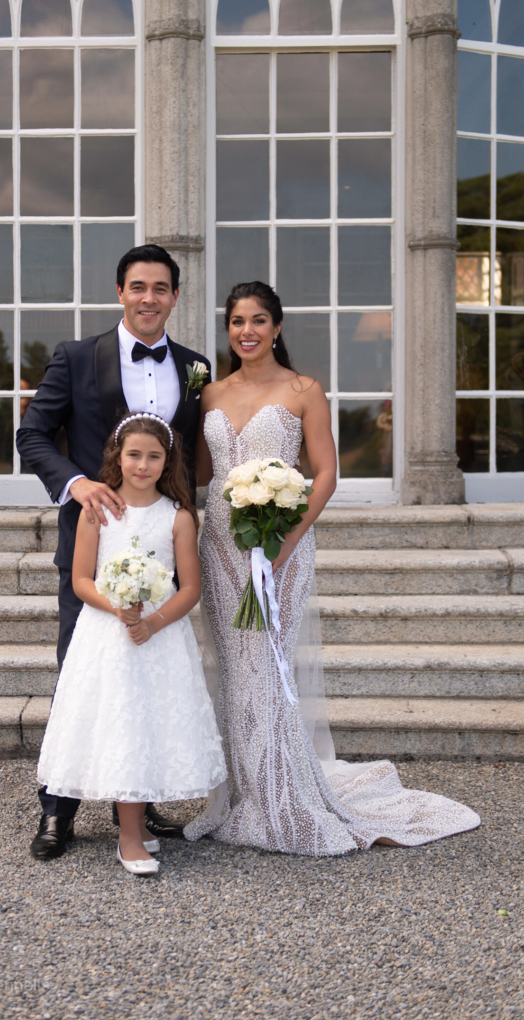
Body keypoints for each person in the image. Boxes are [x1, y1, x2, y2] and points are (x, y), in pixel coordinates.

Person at [184, 281, 480, 853]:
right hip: (220, 546)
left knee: (268, 670)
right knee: (234, 672)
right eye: (237, 321)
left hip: (282, 547)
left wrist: (283, 545)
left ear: (277, 327)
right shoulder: (211, 395)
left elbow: (325, 475)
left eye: (259, 320)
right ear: (228, 330)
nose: (247, 331)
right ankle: (247, 794)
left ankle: (286, 798)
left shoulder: (303, 390)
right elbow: (202, 474)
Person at [16, 244, 211, 860]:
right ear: (120, 292)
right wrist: (78, 485)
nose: (148, 297)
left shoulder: (196, 366)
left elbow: (197, 451)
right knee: (82, 675)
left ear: (175, 296)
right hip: (95, 544)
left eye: (160, 287)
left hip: (161, 534)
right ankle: (58, 810)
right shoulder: (76, 357)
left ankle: (142, 796)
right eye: (137, 286)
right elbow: (32, 434)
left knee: (151, 680)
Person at [36, 413, 226, 875]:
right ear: (117, 458)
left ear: (168, 462)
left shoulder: (178, 518)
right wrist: (117, 606)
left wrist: (153, 622)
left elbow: (189, 589)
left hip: (159, 639)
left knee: (150, 724)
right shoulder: (96, 511)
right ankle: (127, 838)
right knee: (122, 723)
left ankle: (136, 826)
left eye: (154, 456)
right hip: (107, 636)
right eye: (134, 455)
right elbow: (81, 580)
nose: (143, 465)